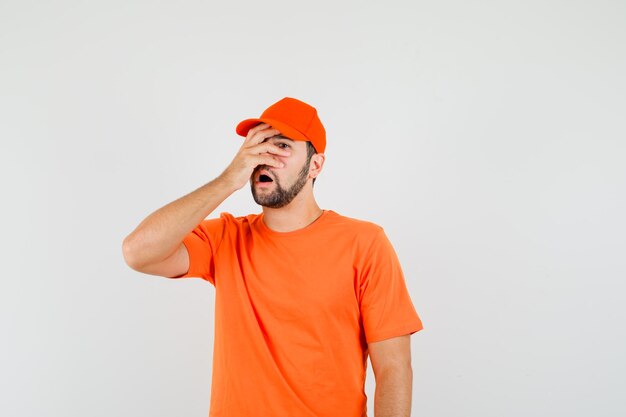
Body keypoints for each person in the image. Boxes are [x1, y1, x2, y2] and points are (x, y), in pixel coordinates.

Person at [122, 97, 424, 417]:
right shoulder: (226, 238)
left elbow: (393, 368)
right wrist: (228, 180)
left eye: (281, 146)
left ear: (315, 165)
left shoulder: (365, 243)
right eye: (258, 145)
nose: (264, 158)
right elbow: (138, 252)